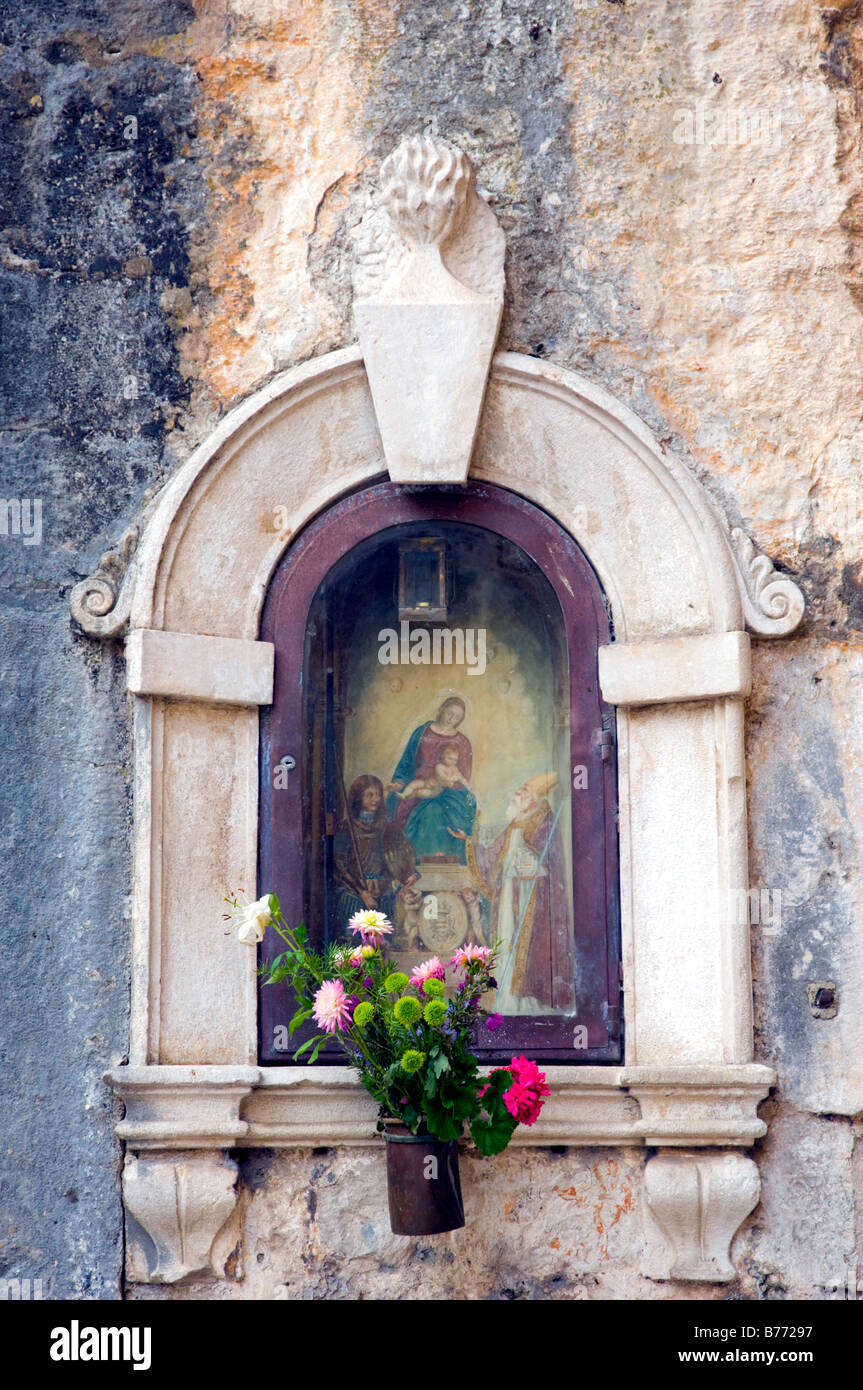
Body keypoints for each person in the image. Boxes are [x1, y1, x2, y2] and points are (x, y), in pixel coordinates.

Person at [449, 772, 574, 1014]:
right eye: (521, 787)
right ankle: (508, 1001)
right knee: (506, 943)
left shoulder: (543, 822)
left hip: (531, 898)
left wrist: (534, 868)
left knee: (526, 952)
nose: (519, 792)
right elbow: (493, 855)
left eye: (525, 790)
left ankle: (528, 1003)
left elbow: (550, 862)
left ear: (535, 799)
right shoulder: (516, 822)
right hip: (508, 896)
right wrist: (469, 842)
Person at [386, 697, 476, 861]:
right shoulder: (422, 732)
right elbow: (407, 761)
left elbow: (463, 777)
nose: (451, 719)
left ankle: (433, 863)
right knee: (398, 800)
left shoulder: (463, 742)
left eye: (457, 717)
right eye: (450, 713)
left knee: (433, 812)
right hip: (419, 785)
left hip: (448, 793)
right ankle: (409, 866)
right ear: (442, 709)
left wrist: (445, 783)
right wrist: (399, 781)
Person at [333, 774, 417, 925]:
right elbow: (340, 866)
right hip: (355, 894)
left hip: (384, 893)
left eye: (378, 794)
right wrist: (363, 893)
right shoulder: (347, 828)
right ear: (358, 798)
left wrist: (410, 871)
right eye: (369, 795)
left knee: (384, 940)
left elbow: (403, 851)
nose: (375, 799)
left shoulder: (388, 826)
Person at [396, 741, 471, 800]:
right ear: (443, 757)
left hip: (436, 789)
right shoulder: (439, 766)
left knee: (421, 793)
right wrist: (453, 778)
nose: (453, 762)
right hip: (427, 782)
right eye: (450, 758)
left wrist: (468, 786)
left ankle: (412, 795)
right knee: (414, 784)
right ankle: (404, 794)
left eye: (455, 760)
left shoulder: (454, 769)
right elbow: (442, 777)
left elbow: (461, 778)